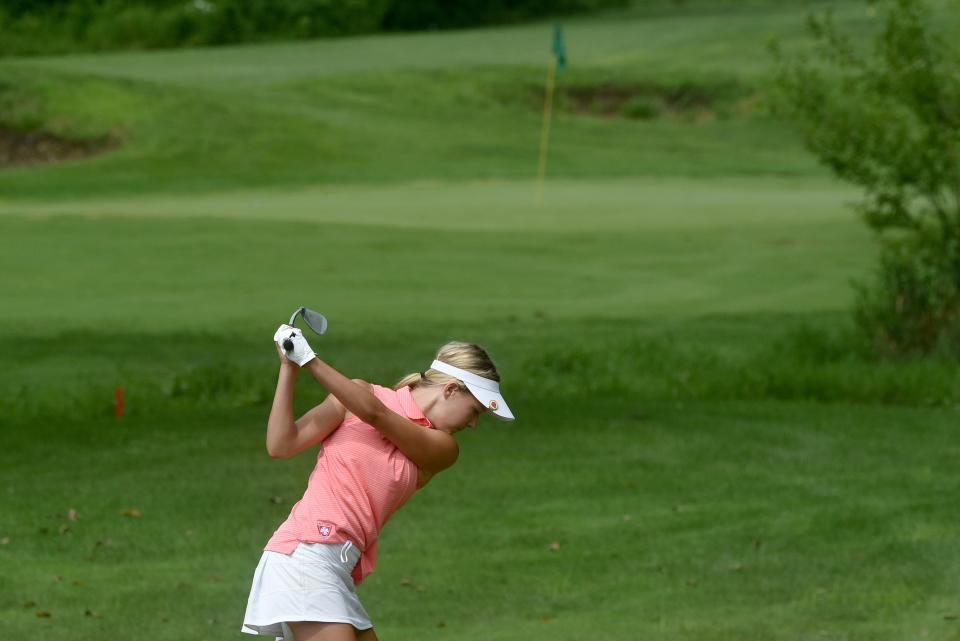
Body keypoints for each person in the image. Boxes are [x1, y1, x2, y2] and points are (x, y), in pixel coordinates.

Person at [241, 323, 514, 641]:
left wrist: (310, 359)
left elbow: (377, 417)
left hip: (335, 569)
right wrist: (290, 366)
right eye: (474, 411)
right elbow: (281, 444)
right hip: (303, 554)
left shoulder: (443, 449)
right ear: (451, 390)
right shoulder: (359, 395)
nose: (473, 424)